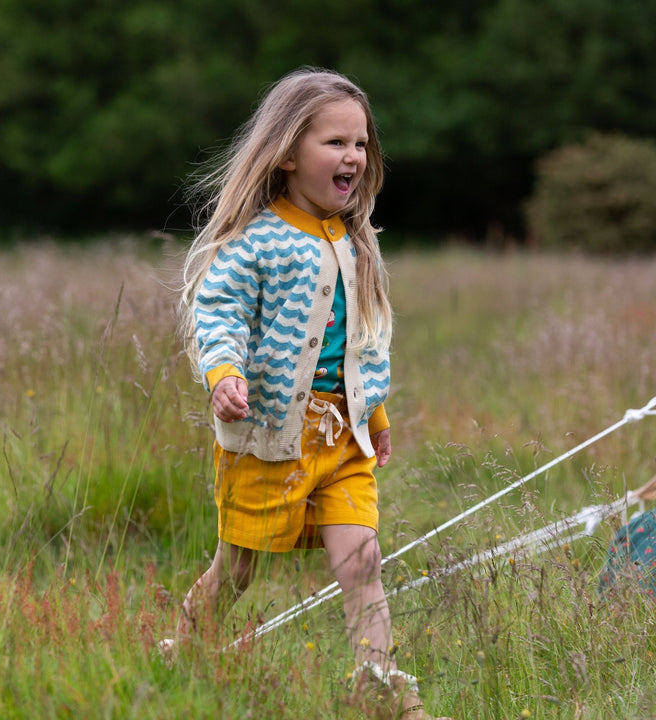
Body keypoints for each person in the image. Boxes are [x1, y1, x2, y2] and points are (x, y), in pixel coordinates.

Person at [171, 67, 451, 720]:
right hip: (268, 436)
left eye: (361, 143)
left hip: (342, 438)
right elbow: (217, 311)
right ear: (289, 152)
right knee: (237, 569)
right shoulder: (259, 241)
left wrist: (374, 413)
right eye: (335, 143)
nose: (353, 155)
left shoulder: (357, 242)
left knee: (363, 560)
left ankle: (375, 682)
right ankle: (184, 649)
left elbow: (365, 345)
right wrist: (224, 374)